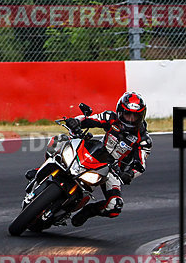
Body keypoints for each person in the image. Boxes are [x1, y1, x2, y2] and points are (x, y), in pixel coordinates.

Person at [49, 91, 151, 227]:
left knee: (114, 206)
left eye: (135, 116)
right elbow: (91, 119)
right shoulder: (110, 117)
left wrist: (129, 174)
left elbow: (140, 165)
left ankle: (88, 211)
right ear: (120, 111)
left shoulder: (144, 140)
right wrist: (76, 121)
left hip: (112, 170)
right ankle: (42, 169)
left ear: (141, 116)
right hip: (95, 151)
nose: (130, 119)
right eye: (127, 114)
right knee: (59, 140)